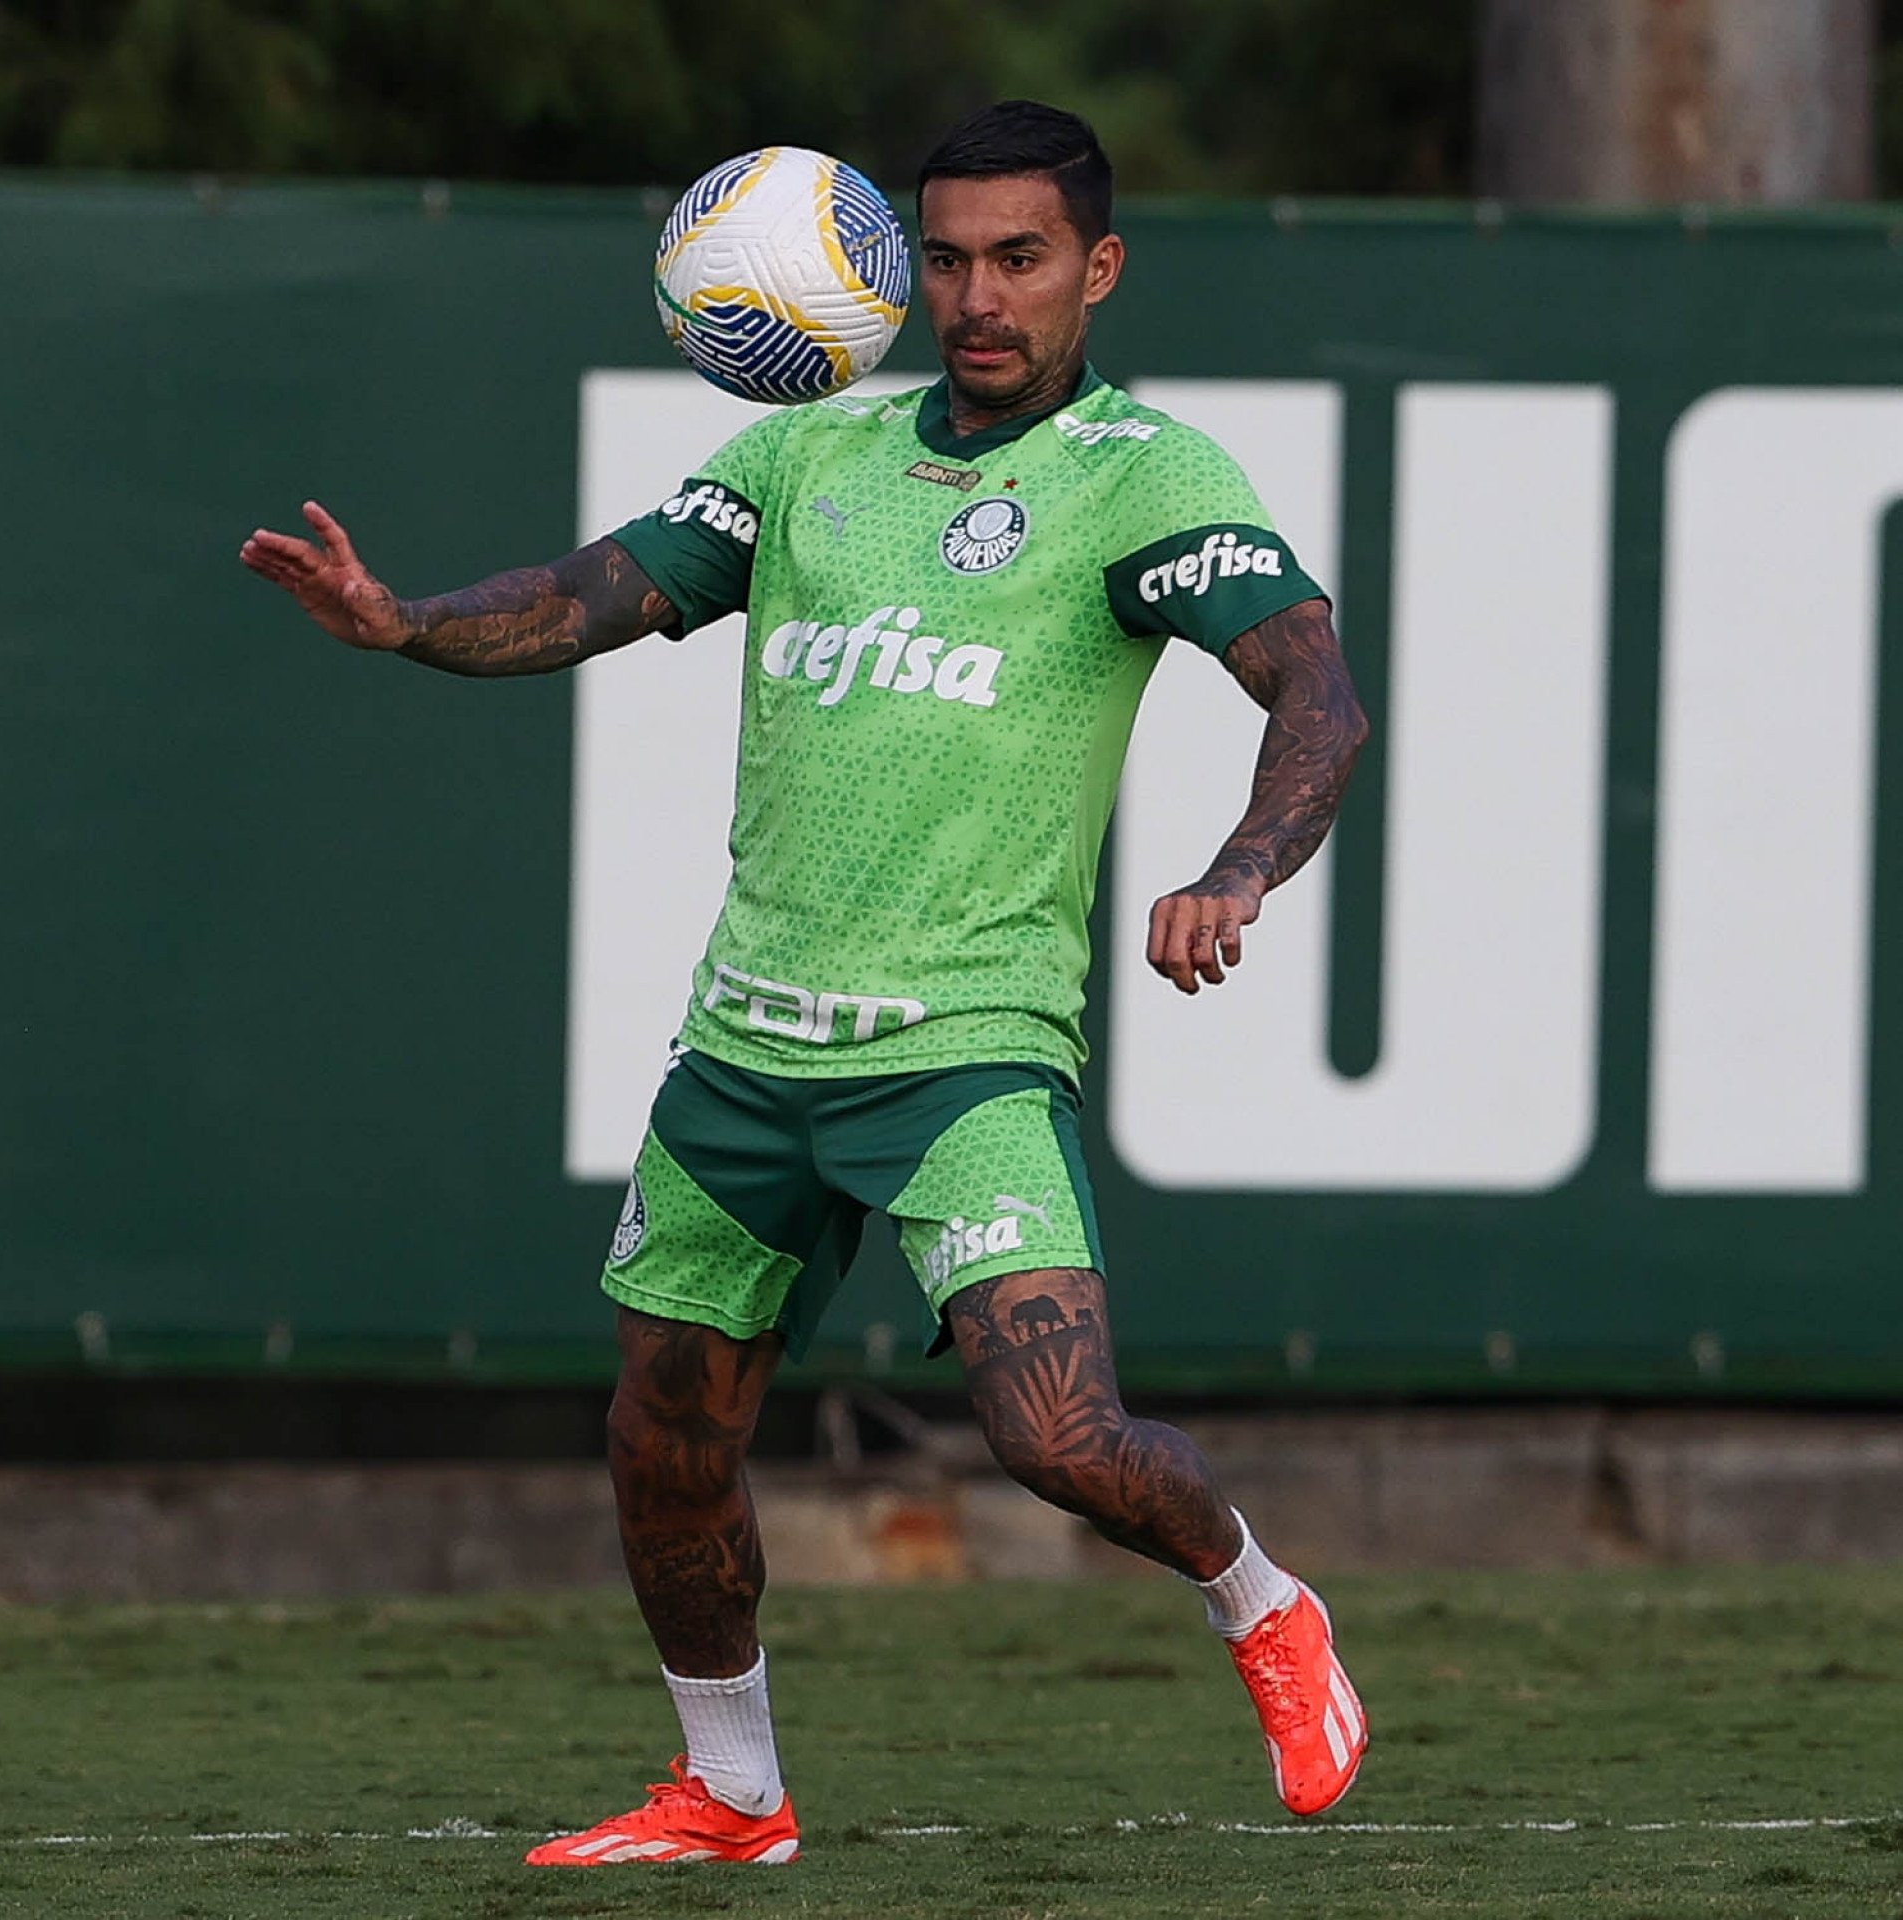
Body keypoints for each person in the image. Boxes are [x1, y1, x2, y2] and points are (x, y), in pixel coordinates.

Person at [241, 99, 1370, 1867]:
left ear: (1099, 269)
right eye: (949, 259)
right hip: (748, 1047)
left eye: (1021, 258)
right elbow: (596, 592)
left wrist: (1234, 875)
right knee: (662, 1437)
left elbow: (1319, 696)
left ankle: (1263, 1603)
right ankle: (733, 1792)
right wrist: (408, 624)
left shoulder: (1143, 476)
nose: (977, 297)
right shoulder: (803, 454)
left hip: (966, 1049)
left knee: (1058, 1439)